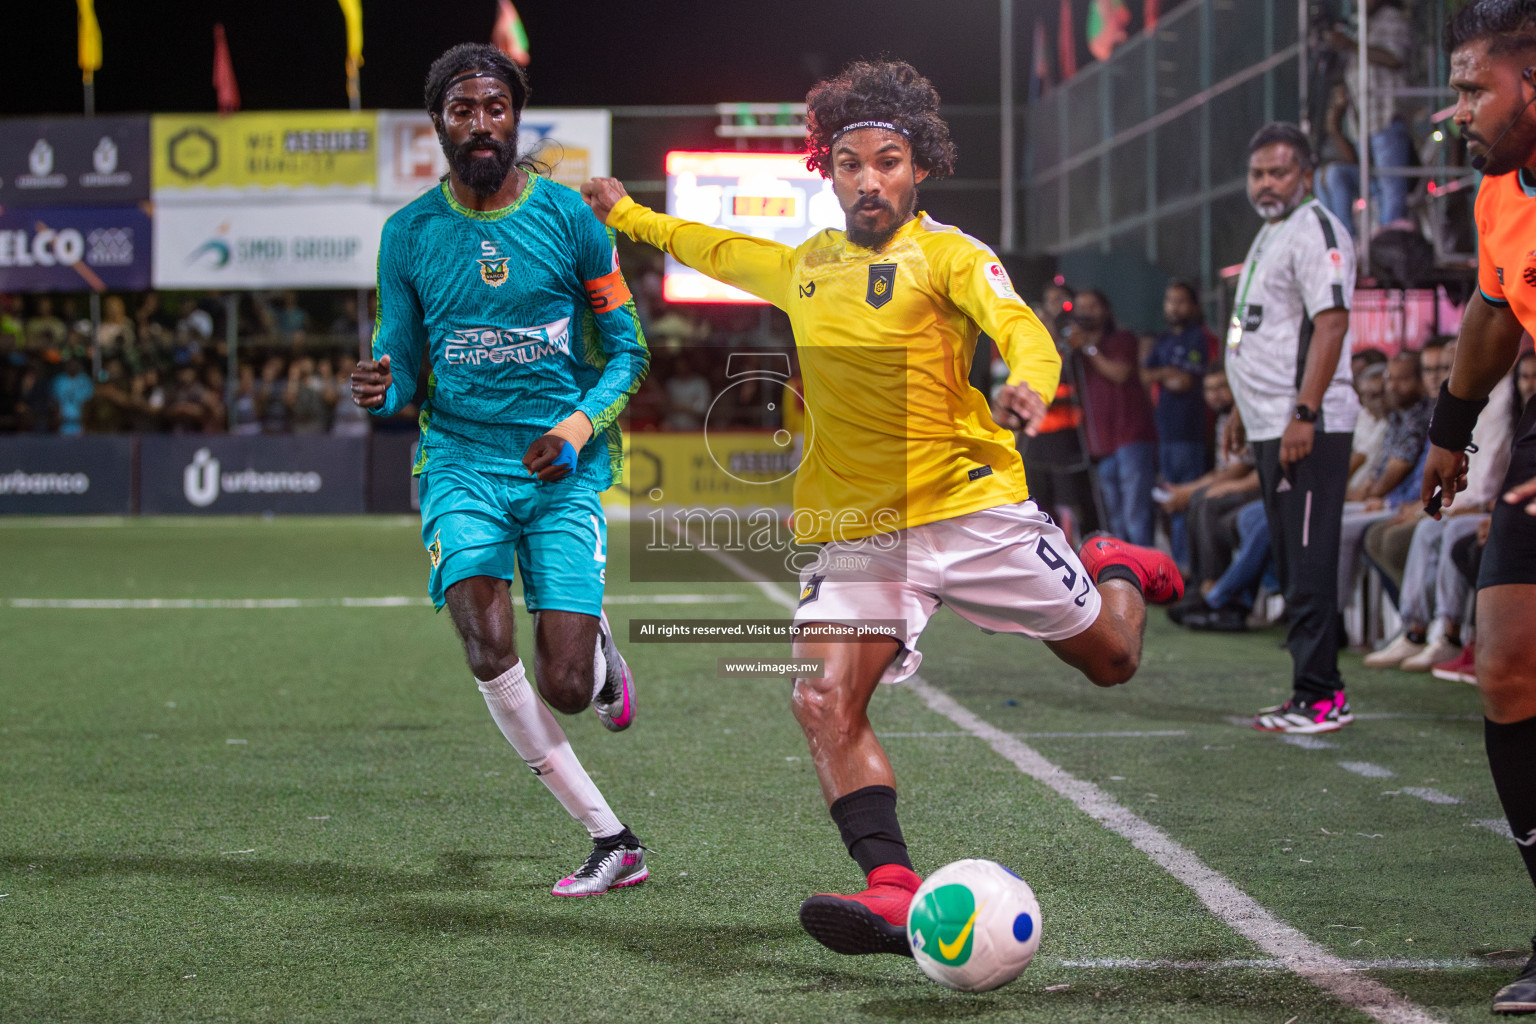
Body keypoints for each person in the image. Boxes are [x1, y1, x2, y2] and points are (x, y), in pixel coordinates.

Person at [581, 58, 1182, 959]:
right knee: (823, 698)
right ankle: (893, 888)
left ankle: (1120, 566)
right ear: (827, 170)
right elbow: (707, 244)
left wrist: (1027, 382)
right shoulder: (802, 266)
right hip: (859, 536)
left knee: (1113, 661)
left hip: (971, 514)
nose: (871, 180)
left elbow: (1023, 328)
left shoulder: (951, 255)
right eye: (853, 162)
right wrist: (625, 214)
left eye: (890, 160)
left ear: (920, 166)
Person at [350, 43, 651, 898]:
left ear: (515, 116)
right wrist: (381, 386)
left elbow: (628, 354)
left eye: (493, 107)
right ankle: (612, 839)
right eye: (461, 110)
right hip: (461, 463)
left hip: (562, 465)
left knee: (562, 684)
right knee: (486, 647)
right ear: (439, 124)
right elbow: (401, 363)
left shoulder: (569, 220)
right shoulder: (408, 235)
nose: (479, 123)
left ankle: (596, 662)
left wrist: (574, 424)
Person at [1421, 5, 1536, 1011]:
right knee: (1504, 658)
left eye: (1474, 91)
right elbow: (1495, 312)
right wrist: (1451, 428)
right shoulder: (1500, 190)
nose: (1459, 111)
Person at [1224, 122, 1359, 734]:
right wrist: (1238, 406)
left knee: (1308, 561)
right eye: (1258, 173)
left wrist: (1304, 412)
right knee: (1290, 558)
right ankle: (1311, 688)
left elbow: (1329, 325)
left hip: (1309, 424)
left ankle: (1322, 695)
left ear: (1304, 172)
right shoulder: (1271, 232)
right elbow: (1262, 330)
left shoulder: (1316, 229)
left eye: (1278, 172)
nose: (1266, 183)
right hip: (1270, 421)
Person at [1072, 289, 1159, 546]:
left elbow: (1119, 373)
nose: (1086, 312)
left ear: (1106, 309)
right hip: (1101, 442)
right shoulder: (1077, 352)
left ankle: (1146, 575)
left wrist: (1088, 348)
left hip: (1131, 436)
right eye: (1081, 307)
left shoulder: (1123, 339)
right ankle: (1124, 573)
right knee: (1115, 519)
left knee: (1136, 514)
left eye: (1093, 306)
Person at [1144, 280, 1215, 567]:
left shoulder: (1198, 337)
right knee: (1169, 502)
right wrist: (1166, 374)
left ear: (1194, 306)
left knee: (1188, 501)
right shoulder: (1164, 340)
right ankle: (1178, 567)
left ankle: (1190, 568)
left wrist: (1164, 375)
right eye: (1170, 300)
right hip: (1165, 434)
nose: (1174, 307)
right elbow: (1146, 375)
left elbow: (1183, 380)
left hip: (1191, 433)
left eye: (1181, 301)